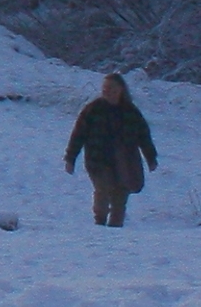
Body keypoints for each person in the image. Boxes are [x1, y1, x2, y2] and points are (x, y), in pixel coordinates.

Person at [64, 71, 159, 226]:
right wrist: (70, 158)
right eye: (105, 89)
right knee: (103, 190)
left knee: (120, 195)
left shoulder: (131, 112)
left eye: (112, 89)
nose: (108, 92)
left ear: (121, 90)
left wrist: (151, 158)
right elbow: (78, 135)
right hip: (97, 160)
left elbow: (144, 136)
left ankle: (116, 230)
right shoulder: (92, 110)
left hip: (124, 161)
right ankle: (99, 224)